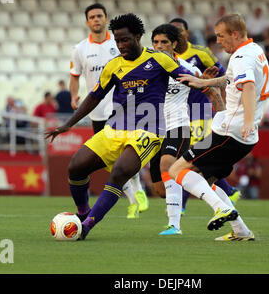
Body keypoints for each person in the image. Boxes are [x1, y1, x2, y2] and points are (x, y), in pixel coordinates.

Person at [45, 13, 201, 240]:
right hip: (114, 129)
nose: (120, 45)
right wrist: (68, 124)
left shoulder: (159, 59)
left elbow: (188, 79)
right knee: (75, 166)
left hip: (149, 130)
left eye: (125, 40)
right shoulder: (114, 66)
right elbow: (94, 97)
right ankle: (83, 213)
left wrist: (211, 84)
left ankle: (86, 226)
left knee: (119, 172)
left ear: (138, 37)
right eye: (117, 41)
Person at [170, 13, 269, 241]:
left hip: (229, 132)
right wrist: (203, 82)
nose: (218, 41)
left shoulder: (241, 58)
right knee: (209, 180)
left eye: (221, 36)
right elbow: (229, 79)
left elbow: (247, 87)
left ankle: (222, 209)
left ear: (235, 34)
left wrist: (247, 120)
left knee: (176, 170)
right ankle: (241, 231)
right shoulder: (254, 50)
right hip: (245, 137)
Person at [69, 3, 148, 218]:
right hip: (97, 112)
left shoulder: (121, 42)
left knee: (127, 153)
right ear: (87, 22)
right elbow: (74, 77)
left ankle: (138, 188)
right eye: (92, 17)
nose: (96, 19)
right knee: (109, 162)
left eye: (99, 16)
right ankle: (132, 199)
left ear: (106, 19)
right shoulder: (80, 49)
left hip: (122, 108)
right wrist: (73, 95)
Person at [148, 23, 221, 235]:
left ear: (174, 45)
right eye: (156, 42)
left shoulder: (187, 69)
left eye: (164, 42)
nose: (159, 46)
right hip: (154, 131)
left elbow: (211, 91)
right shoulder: (146, 68)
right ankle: (215, 195)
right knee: (161, 189)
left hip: (178, 126)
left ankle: (174, 225)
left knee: (167, 164)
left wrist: (220, 117)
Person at [169, 18, 240, 213]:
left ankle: (182, 205)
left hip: (201, 110)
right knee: (189, 156)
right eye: (172, 30)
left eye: (179, 30)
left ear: (187, 33)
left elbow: (224, 77)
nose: (176, 33)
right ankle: (228, 191)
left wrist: (223, 107)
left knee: (192, 157)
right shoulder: (165, 58)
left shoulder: (200, 53)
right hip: (179, 112)